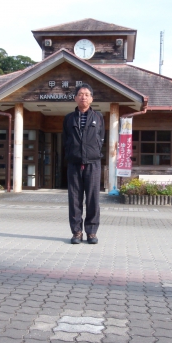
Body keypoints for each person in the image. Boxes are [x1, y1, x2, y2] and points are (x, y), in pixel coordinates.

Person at [62, 83, 104, 244]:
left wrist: (94, 151)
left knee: (93, 199)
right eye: (80, 94)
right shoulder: (69, 118)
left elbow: (101, 138)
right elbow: (66, 140)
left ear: (91, 98)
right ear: (75, 98)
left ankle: (91, 232)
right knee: (74, 199)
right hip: (74, 164)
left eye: (86, 94)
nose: (83, 97)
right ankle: (77, 232)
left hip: (93, 163)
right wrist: (72, 153)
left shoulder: (98, 117)